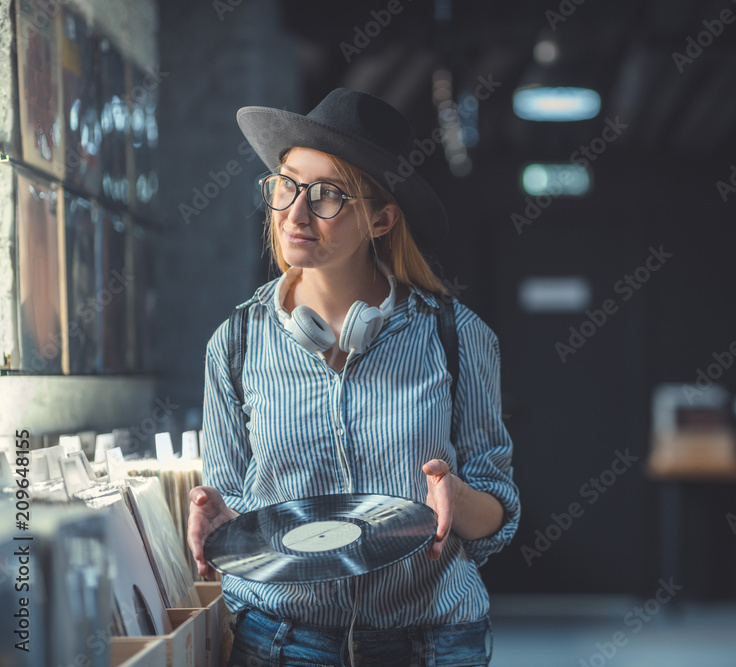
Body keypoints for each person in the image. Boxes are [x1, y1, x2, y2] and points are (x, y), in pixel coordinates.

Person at [186, 88, 520, 667]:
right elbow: (241, 509)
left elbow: (498, 514)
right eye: (286, 184)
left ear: (382, 218)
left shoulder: (458, 337)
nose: (294, 213)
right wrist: (225, 525)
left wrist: (455, 497)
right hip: (281, 644)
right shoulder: (234, 345)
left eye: (328, 195)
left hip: (432, 644)